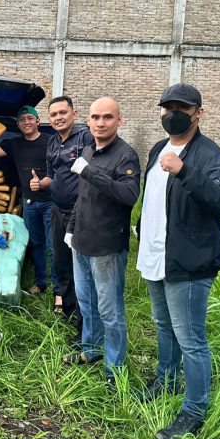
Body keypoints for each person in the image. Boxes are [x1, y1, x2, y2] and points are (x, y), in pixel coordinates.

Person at [136, 84, 220, 439]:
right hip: (156, 255)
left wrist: (185, 172)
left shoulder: (209, 155)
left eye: (181, 107)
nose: (172, 113)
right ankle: (166, 380)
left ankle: (194, 410)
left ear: (198, 113)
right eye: (167, 107)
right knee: (163, 326)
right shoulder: (156, 149)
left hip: (189, 262)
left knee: (191, 339)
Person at [63, 98, 140, 384]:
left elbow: (129, 195)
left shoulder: (126, 156)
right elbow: (81, 198)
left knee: (110, 310)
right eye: (95, 117)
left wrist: (88, 171)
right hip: (81, 242)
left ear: (119, 120)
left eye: (107, 117)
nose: (100, 123)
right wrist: (71, 228)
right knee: (87, 303)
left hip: (107, 246)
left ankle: (115, 369)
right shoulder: (87, 150)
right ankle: (91, 351)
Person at [0, 105, 60, 308]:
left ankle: (59, 290)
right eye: (22, 120)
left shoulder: (51, 142)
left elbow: (60, 170)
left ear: (38, 121)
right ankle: (41, 283)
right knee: (36, 245)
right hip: (29, 203)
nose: (26, 122)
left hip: (50, 202)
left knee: (53, 247)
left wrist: (44, 182)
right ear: (19, 125)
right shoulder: (14, 144)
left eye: (30, 118)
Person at [30, 96, 93, 342]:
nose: (58, 117)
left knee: (82, 267)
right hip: (58, 210)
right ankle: (68, 312)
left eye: (62, 112)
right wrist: (39, 183)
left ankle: (85, 321)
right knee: (61, 262)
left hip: (82, 213)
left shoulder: (85, 138)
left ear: (74, 114)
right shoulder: (53, 143)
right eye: (54, 114)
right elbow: (51, 177)